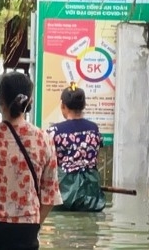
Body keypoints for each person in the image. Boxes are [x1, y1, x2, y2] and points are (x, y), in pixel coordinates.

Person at [0, 72, 62, 250]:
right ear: (29, 102)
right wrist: (32, 223)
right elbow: (50, 197)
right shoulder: (43, 140)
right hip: (26, 229)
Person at [46, 82, 106, 212]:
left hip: (64, 192)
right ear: (83, 106)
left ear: (63, 106)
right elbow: (97, 156)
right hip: (90, 192)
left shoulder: (54, 131)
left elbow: (48, 163)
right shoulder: (94, 129)